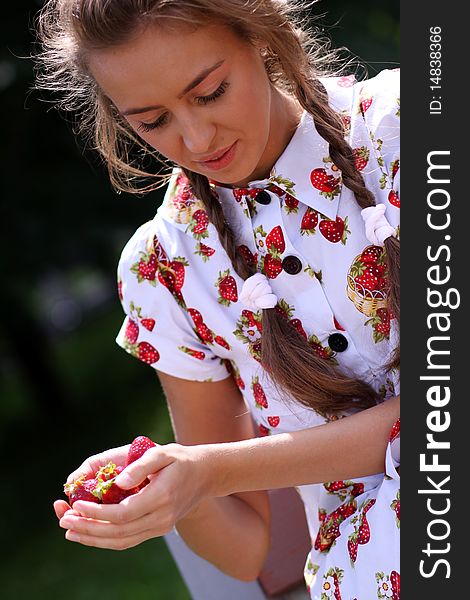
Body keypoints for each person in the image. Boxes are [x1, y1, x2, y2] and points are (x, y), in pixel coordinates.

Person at [35, 1, 400, 597]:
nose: (197, 138)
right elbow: (244, 549)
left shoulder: (408, 130)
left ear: (261, 35)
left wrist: (210, 471)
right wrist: (167, 487)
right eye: (153, 121)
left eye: (210, 92)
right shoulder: (165, 271)